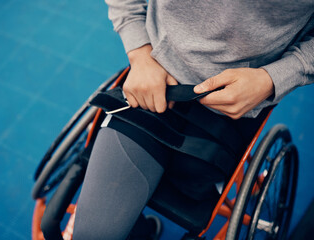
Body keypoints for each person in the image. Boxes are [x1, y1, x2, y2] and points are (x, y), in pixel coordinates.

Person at [71, 1, 314, 239]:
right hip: (155, 76)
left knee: (194, 184)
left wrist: (272, 78)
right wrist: (140, 54)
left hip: (237, 105)